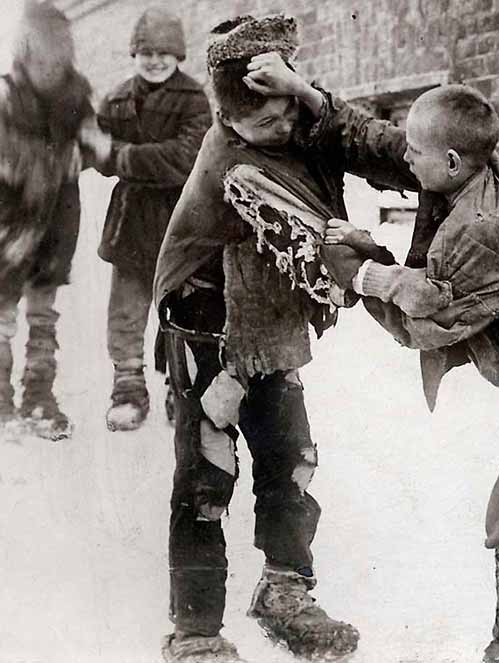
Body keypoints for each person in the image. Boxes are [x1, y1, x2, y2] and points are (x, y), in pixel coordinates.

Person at [152, 14, 418, 663]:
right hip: (210, 312)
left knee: (289, 456)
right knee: (208, 467)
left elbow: (397, 157)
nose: (284, 133)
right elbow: (296, 283)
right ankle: (196, 629)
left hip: (271, 310)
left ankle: (285, 590)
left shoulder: (299, 117)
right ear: (231, 118)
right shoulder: (240, 168)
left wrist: (312, 99)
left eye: (287, 116)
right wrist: (232, 382)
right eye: (267, 125)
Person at [323, 84, 499, 663]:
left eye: (414, 154)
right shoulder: (468, 178)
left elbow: (429, 313)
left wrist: (360, 270)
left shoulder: (478, 227)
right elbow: (429, 276)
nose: (405, 162)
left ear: (451, 163)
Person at [94, 7, 210, 432]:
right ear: (134, 53)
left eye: (165, 52)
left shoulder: (194, 99)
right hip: (129, 221)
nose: (155, 60)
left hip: (180, 220)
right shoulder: (117, 98)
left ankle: (181, 389)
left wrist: (123, 156)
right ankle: (127, 389)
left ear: (178, 54)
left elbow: (184, 159)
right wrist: (113, 156)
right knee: (125, 311)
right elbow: (95, 148)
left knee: (182, 308)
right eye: (146, 51)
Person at [0, 1, 102, 441]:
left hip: (58, 224)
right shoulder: (5, 97)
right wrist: (47, 162)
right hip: (9, 224)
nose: (48, 67)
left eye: (57, 57)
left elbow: (97, 147)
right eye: (39, 57)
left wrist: (87, 149)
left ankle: (39, 395)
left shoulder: (77, 96)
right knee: (2, 312)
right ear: (23, 54)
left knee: (44, 314)